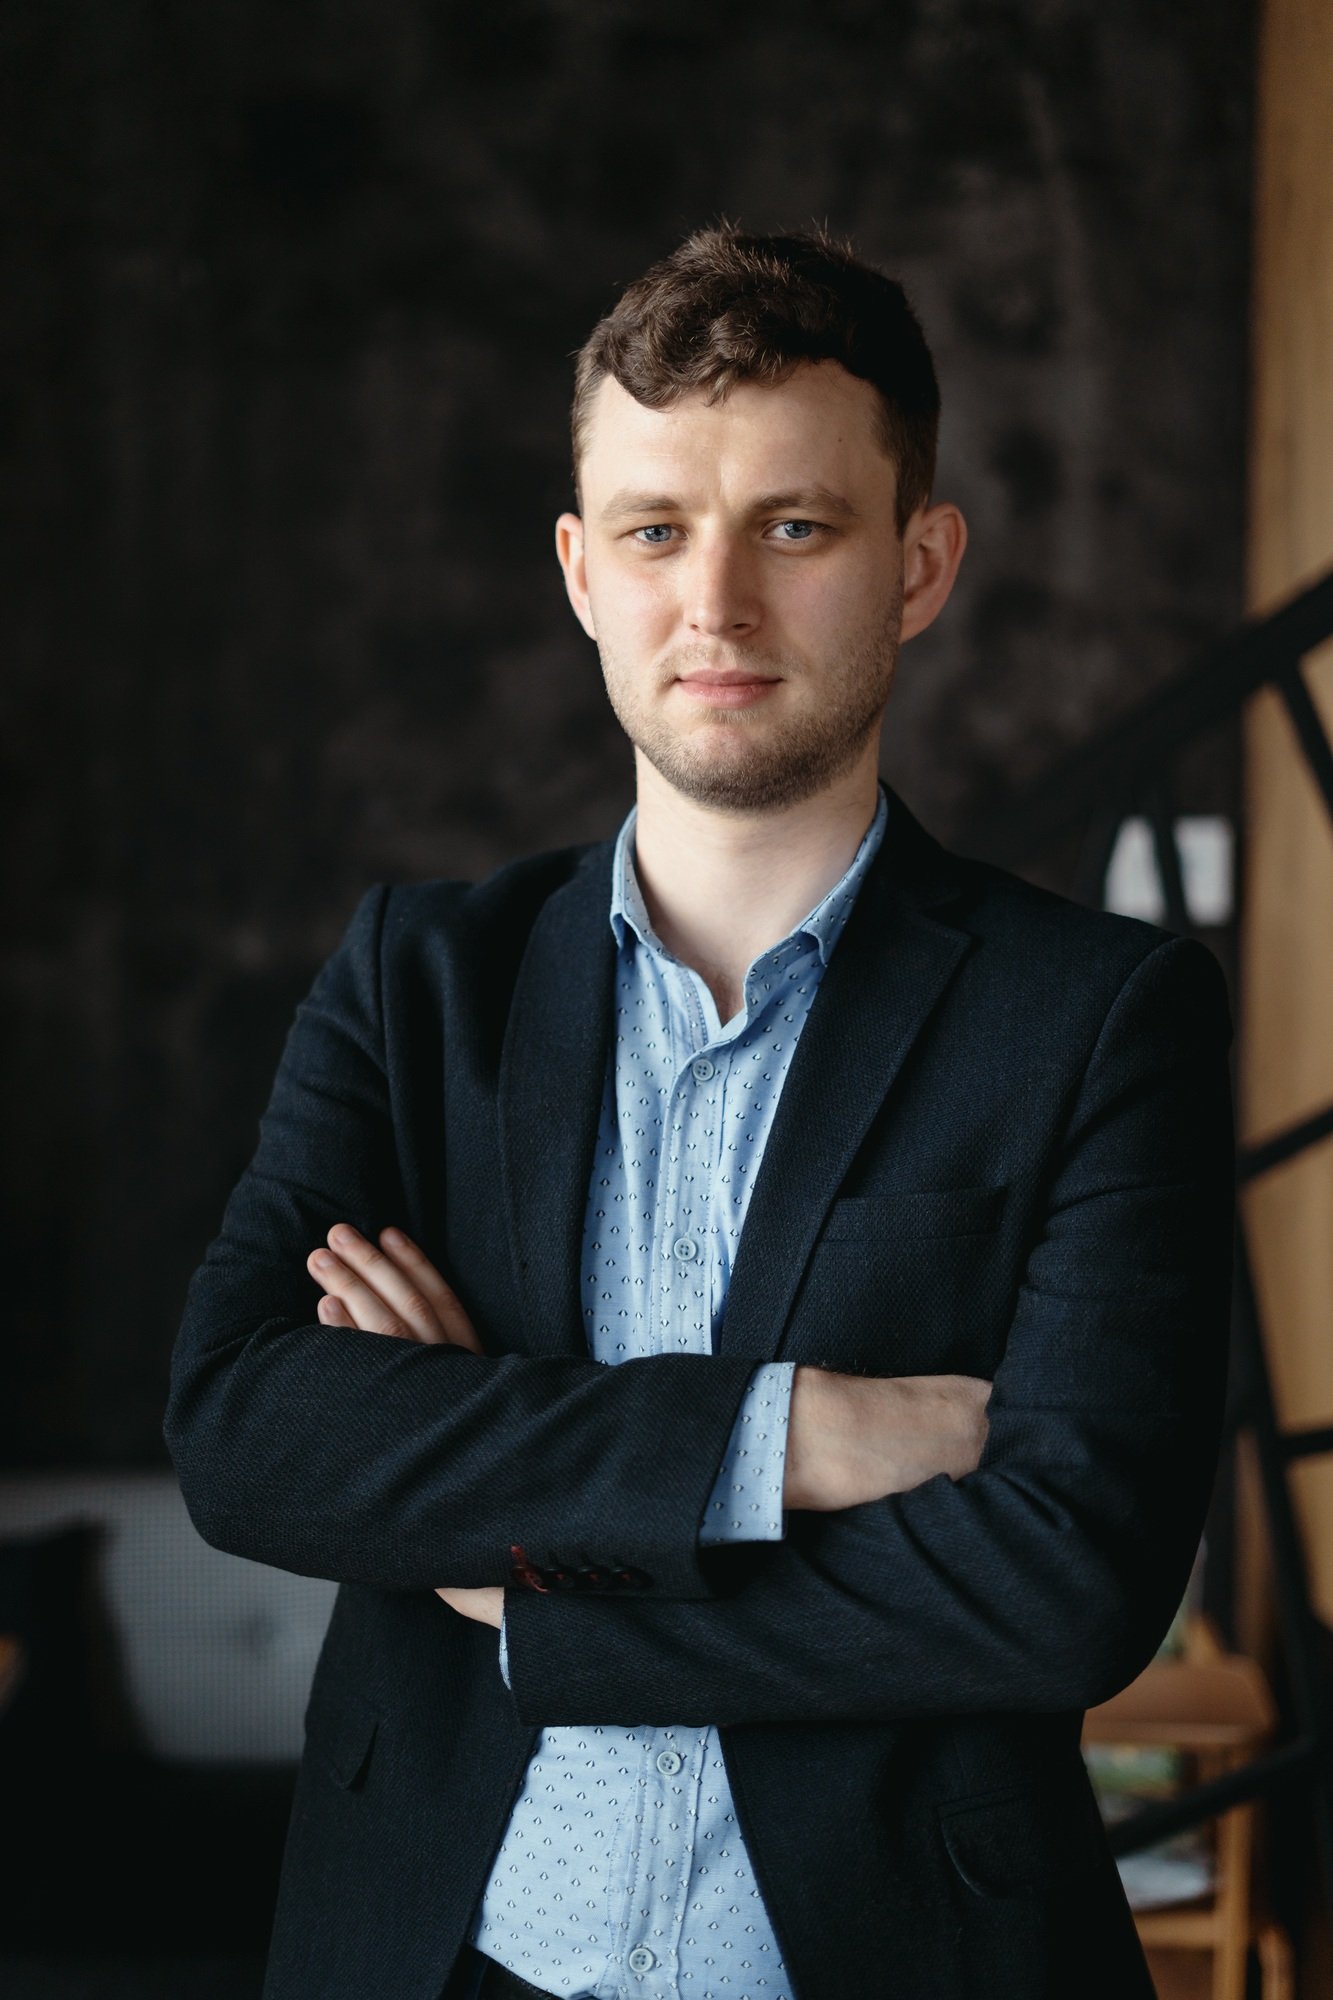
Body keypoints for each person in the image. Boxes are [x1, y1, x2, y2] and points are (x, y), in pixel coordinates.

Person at [165, 225, 1235, 2000]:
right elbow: (247, 1429)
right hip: (438, 1959)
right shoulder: (417, 977)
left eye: (792, 527)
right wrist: (788, 1440)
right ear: (583, 572)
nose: (715, 604)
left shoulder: (1100, 1019)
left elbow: (1065, 1585)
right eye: (657, 530)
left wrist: (528, 1584)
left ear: (919, 562)